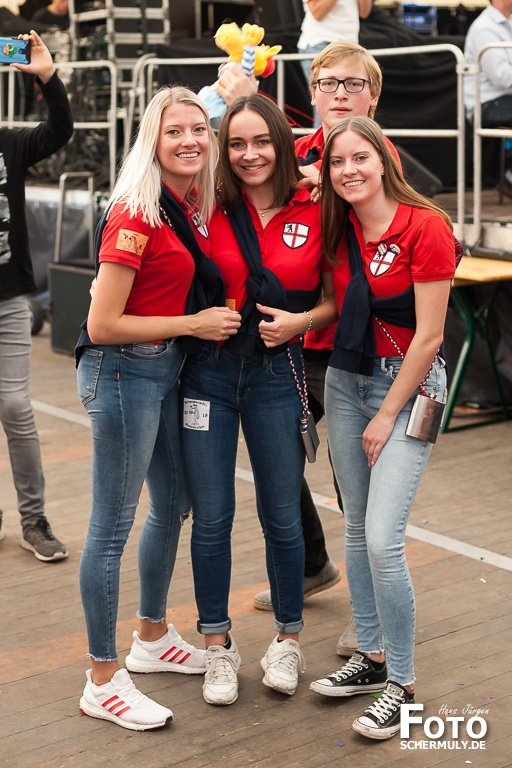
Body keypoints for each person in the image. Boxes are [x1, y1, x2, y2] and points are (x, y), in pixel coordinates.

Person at [76, 85, 241, 731]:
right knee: (111, 527)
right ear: (152, 140)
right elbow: (102, 324)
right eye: (174, 131)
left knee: (174, 505)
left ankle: (150, 636)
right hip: (123, 373)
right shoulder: (136, 212)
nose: (190, 140)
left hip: (165, 369)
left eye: (199, 129)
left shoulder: (189, 204)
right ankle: (101, 677)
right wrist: (193, 324)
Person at [180, 93, 338, 706]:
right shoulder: (206, 204)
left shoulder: (318, 205)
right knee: (212, 517)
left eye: (262, 141)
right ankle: (217, 645)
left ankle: (287, 639)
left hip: (278, 373)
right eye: (237, 143)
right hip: (208, 375)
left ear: (282, 142)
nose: (250, 154)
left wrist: (302, 322)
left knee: (282, 515)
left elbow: (334, 297)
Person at [308, 116, 455, 740]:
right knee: (356, 526)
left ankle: (402, 683)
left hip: (409, 387)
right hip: (347, 379)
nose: (349, 170)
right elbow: (335, 303)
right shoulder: (338, 226)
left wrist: (388, 413)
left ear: (385, 160)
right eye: (337, 161)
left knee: (381, 540)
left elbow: (430, 336)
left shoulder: (426, 226)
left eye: (360, 157)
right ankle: (369, 657)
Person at [253, 42, 397, 659]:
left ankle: (374, 615)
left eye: (353, 83)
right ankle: (314, 564)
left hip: (359, 345)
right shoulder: (301, 149)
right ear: (311, 93)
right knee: (276, 456)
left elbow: (335, 187)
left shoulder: (373, 154)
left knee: (356, 485)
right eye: (328, 82)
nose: (340, 92)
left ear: (373, 96)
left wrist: (304, 174)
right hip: (302, 338)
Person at [0, 30, 72, 560]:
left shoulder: (10, 142)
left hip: (8, 300)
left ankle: (34, 519)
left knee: (15, 406)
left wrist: (47, 76)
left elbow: (60, 130)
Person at [297, 0, 373, 123]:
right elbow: (317, 12)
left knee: (349, 108)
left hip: (350, 45)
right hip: (320, 43)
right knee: (326, 108)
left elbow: (364, 12)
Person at [463, 0, 512, 189]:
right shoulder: (484, 28)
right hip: (487, 103)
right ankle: (506, 173)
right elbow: (501, 76)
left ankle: (506, 172)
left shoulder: (506, 23)